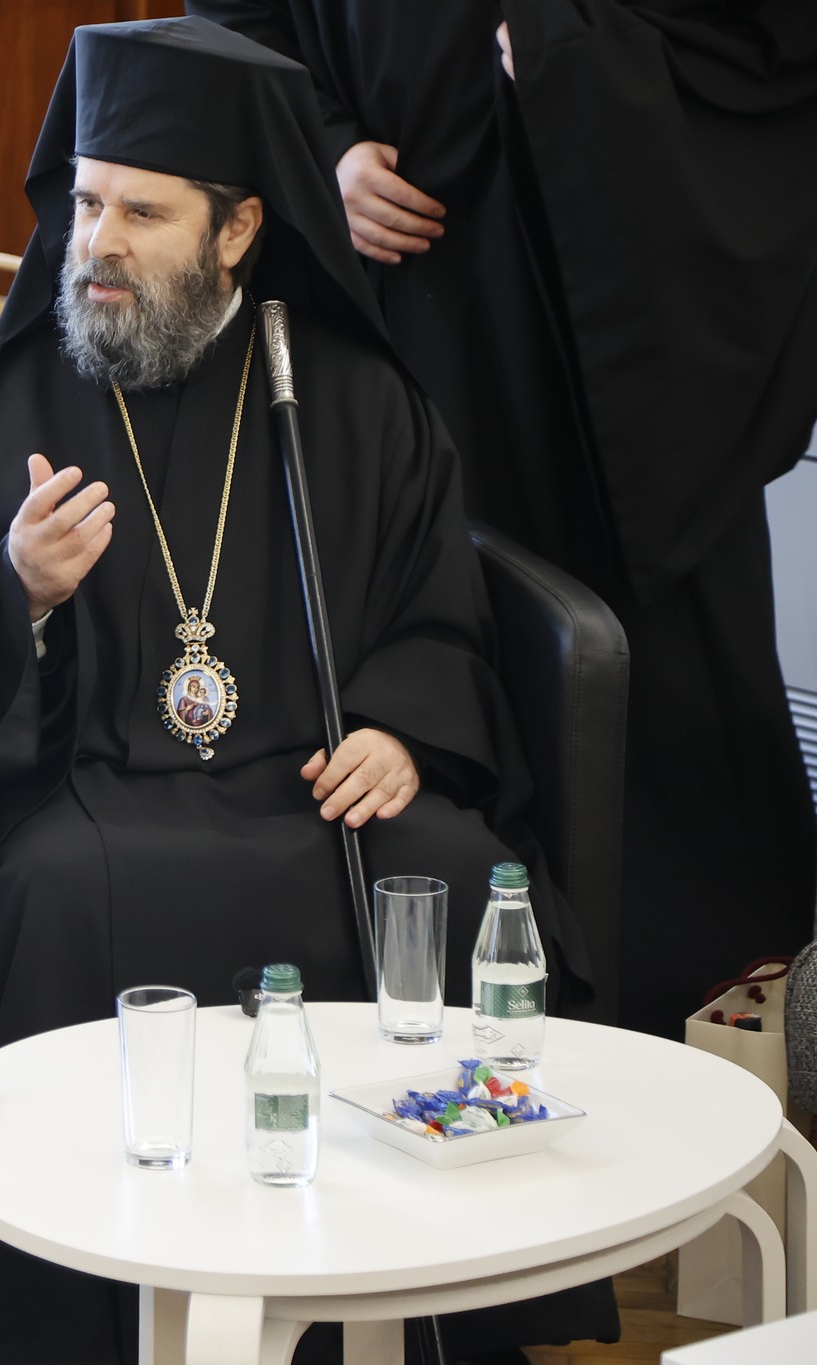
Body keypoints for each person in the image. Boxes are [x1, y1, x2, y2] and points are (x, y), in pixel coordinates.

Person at [0, 18, 611, 1362]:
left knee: (460, 872)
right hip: (89, 789)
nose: (95, 243)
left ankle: (442, 1316)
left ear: (236, 230)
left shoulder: (347, 395)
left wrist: (403, 731)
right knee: (42, 899)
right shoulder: (16, 397)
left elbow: (434, 608)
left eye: (141, 213)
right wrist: (19, 589)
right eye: (86, 203)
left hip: (313, 782)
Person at [189, 0, 817, 1038]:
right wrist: (323, 149)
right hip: (398, 292)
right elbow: (238, 15)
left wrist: (576, 52)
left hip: (611, 301)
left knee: (654, 671)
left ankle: (688, 1026)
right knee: (419, 625)